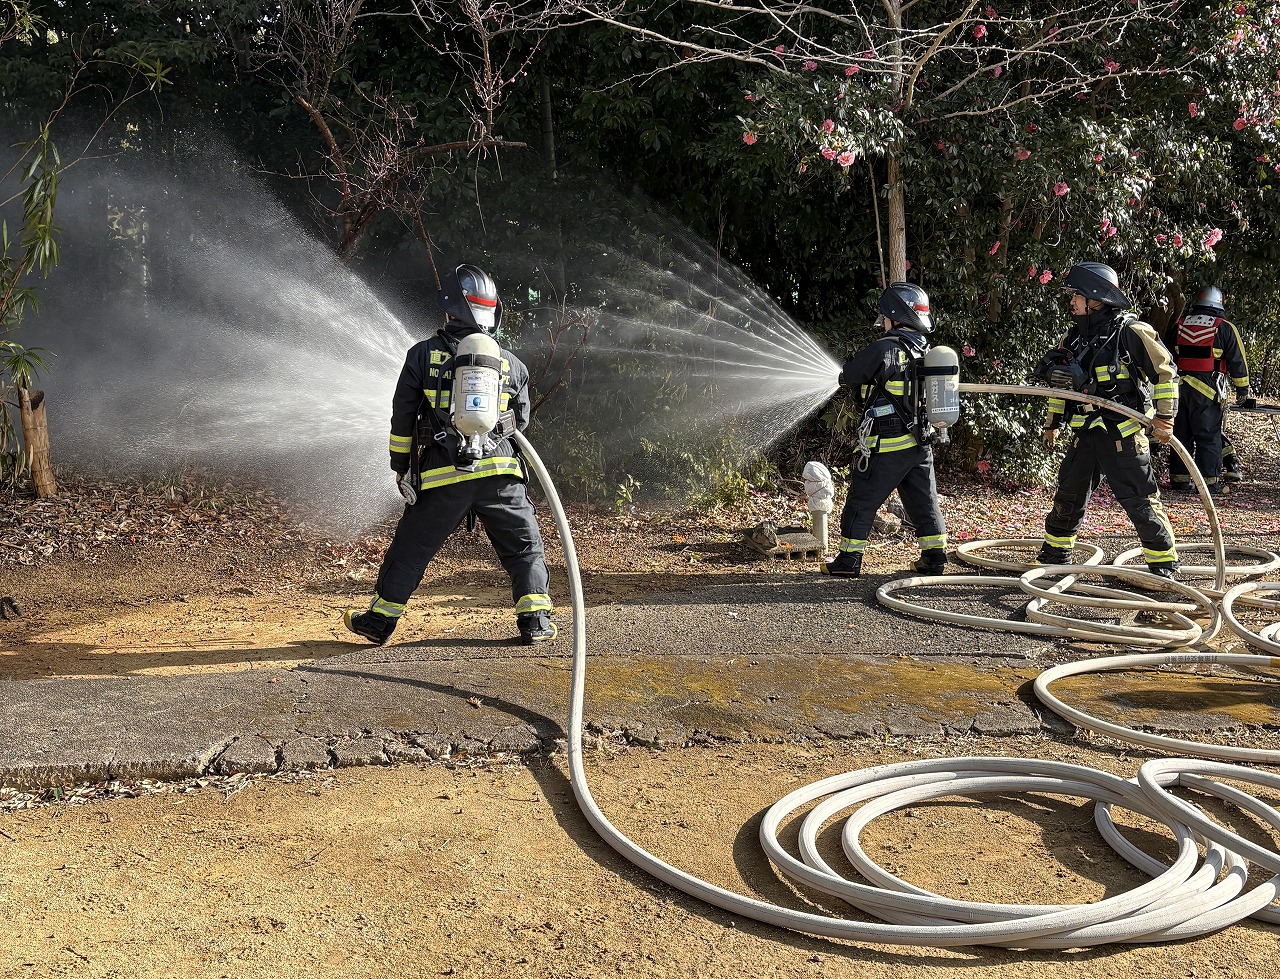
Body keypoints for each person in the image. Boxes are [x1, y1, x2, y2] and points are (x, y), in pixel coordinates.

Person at [343, 263, 556, 646]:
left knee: (411, 549)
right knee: (524, 546)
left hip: (444, 476)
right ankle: (535, 620)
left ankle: (379, 621)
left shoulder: (421, 356)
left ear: (450, 309)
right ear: (493, 311)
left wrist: (400, 467)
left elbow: (403, 418)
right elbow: (520, 422)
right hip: (502, 475)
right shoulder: (513, 365)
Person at [1034, 262, 1180, 578]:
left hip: (1122, 435)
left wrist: (1165, 417)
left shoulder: (1131, 334)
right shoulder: (1072, 338)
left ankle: (1162, 565)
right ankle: (1055, 553)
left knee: (1139, 498)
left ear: (1096, 299)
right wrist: (1052, 422)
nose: (1072, 300)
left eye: (1078, 294)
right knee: (1069, 493)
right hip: (1085, 433)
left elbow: (1166, 373)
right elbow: (1063, 385)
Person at [823, 281, 948, 577]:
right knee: (924, 501)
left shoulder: (884, 348)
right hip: (921, 443)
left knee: (862, 499)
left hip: (888, 444)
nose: (883, 323)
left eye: (885, 316)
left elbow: (850, 375)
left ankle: (848, 560)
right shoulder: (927, 351)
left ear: (896, 316)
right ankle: (935, 558)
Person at [1165, 286, 1256, 494]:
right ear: (1219, 303)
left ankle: (1179, 480)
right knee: (1208, 436)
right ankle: (1209, 482)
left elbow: (1166, 357)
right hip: (1207, 391)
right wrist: (1242, 391)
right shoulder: (1224, 327)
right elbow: (1237, 361)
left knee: (1180, 434)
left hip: (1178, 388)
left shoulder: (1179, 325)